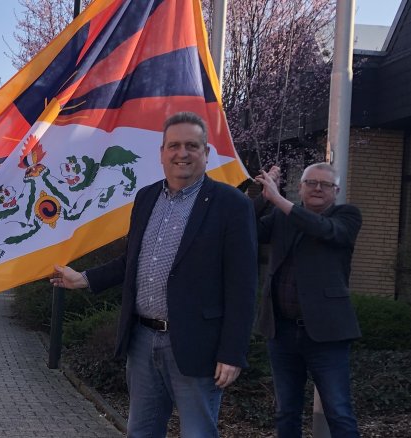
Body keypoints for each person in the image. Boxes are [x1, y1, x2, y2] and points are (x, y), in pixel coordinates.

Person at [52, 112, 258, 437]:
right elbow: (131, 261)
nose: (182, 153)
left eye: (192, 145)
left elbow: (243, 287)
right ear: (162, 153)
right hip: (142, 341)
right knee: (142, 432)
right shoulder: (146, 198)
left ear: (206, 153)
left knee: (198, 433)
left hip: (196, 346)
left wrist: (232, 353)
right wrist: (85, 279)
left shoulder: (231, 205)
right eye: (173, 145)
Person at [254, 163, 362, 437]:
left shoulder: (347, 216)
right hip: (282, 331)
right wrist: (261, 195)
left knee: (338, 411)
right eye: (310, 182)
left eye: (324, 184)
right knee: (286, 410)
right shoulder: (281, 217)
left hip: (327, 334)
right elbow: (246, 229)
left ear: (335, 191)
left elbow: (324, 229)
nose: (317, 188)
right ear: (300, 188)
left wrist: (278, 200)